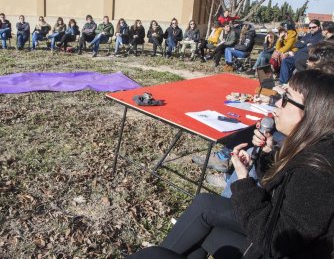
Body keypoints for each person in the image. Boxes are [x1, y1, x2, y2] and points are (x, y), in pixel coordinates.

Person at [128, 69, 334, 258]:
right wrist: (268, 155)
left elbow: (275, 242)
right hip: (264, 237)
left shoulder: (318, 170)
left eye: (286, 99)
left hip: (267, 245)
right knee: (203, 213)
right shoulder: (310, 148)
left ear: (312, 114)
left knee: (152, 254)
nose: (277, 103)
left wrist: (244, 183)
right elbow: (281, 191)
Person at [279, 19, 323, 84]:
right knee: (285, 61)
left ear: (319, 27)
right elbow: (297, 44)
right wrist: (306, 44)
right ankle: (284, 82)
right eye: (310, 27)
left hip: (308, 57)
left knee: (297, 61)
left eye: (314, 27)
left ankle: (301, 83)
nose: (311, 29)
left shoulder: (320, 37)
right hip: (297, 55)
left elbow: (311, 48)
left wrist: (304, 43)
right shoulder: (308, 35)